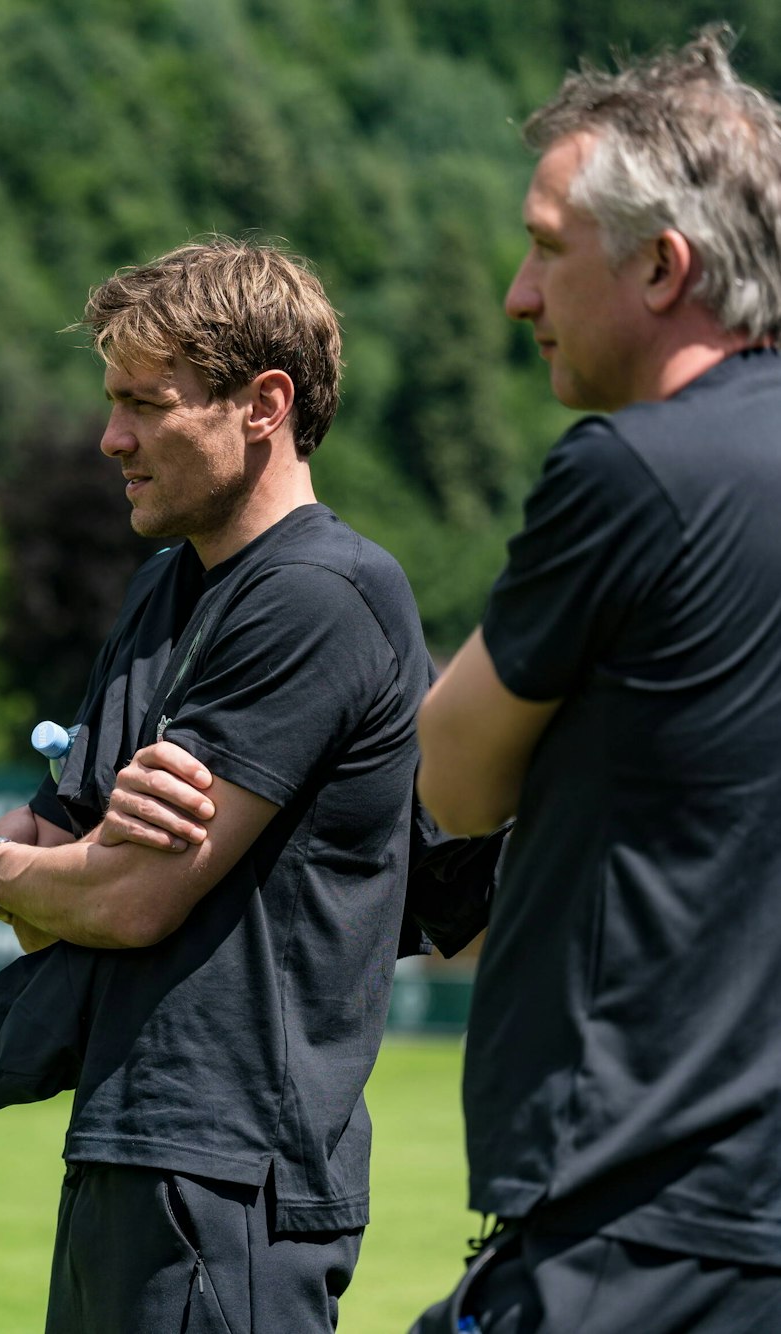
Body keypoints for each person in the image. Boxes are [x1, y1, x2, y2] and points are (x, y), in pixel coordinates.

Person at [0, 238, 429, 1333]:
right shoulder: (169, 582)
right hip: (130, 1147)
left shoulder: (321, 593)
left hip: (232, 1176)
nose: (111, 436)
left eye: (145, 403)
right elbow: (62, 860)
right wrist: (19, 869)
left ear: (263, 404)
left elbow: (129, 898)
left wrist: (6, 869)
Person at [413, 27, 781, 1334]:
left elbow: (449, 771)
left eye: (545, 248)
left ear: (660, 267)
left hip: (631, 1219)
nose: (518, 295)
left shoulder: (630, 474)